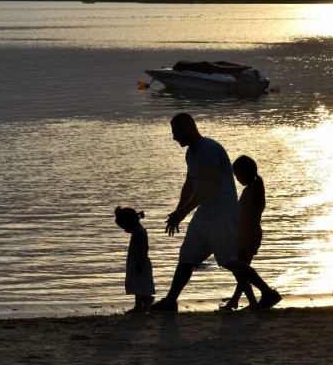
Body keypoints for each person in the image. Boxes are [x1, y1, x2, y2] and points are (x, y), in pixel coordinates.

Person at [149, 113, 281, 312]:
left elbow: (205, 187)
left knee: (228, 260)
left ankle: (268, 292)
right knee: (186, 257)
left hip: (221, 213)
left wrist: (184, 212)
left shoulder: (209, 149)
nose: (175, 137)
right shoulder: (191, 154)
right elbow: (189, 185)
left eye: (177, 132)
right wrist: (178, 210)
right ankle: (170, 302)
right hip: (205, 213)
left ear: (189, 128)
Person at [220, 155, 266, 310]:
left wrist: (233, 233)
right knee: (242, 270)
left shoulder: (249, 192)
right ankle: (238, 300)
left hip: (246, 235)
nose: (237, 179)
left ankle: (249, 301)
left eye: (238, 175)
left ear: (245, 173)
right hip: (253, 234)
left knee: (239, 270)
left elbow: (244, 216)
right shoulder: (257, 188)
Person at [114, 206, 155, 313]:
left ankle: (147, 301)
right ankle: (138, 306)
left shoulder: (139, 233)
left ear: (130, 222)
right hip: (136, 263)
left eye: (125, 227)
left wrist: (140, 262)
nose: (125, 230)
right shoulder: (137, 232)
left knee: (141, 285)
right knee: (137, 285)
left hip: (140, 263)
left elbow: (144, 248)